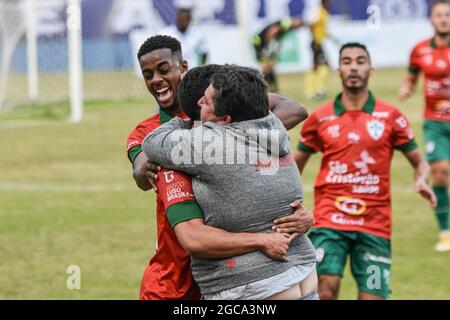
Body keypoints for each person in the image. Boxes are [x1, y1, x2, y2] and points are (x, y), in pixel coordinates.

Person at [126, 35, 314, 299]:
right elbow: (141, 169)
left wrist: (233, 138)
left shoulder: (224, 99)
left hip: (236, 270)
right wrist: (141, 171)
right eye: (148, 75)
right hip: (176, 273)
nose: (156, 79)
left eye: (163, 70)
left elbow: (294, 109)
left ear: (183, 66)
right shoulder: (150, 133)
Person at [294, 42, 436, 300]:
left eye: (360, 61)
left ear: (370, 69)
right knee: (325, 287)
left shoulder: (391, 116)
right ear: (338, 70)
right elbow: (294, 168)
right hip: (330, 219)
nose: (353, 67)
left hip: (374, 222)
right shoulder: (321, 118)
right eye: (347, 62)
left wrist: (422, 179)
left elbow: (419, 161)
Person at [399, 0, 450, 252]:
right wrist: (407, 88)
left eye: (448, 15)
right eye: (439, 15)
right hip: (436, 122)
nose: (444, 19)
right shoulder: (419, 50)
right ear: (431, 19)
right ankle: (445, 231)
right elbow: (411, 76)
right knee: (440, 173)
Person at [252, 17, 304, 92]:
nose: (297, 28)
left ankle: (271, 88)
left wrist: (275, 50)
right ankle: (262, 87)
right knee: (266, 66)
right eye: (298, 26)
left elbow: (279, 38)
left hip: (263, 43)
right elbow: (272, 32)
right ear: (297, 22)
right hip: (259, 41)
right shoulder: (287, 23)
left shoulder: (289, 27)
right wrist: (268, 48)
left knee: (270, 66)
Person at [304, 0, 332, 101]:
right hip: (316, 43)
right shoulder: (319, 13)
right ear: (323, 3)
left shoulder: (324, 13)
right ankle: (319, 89)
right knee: (324, 65)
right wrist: (315, 38)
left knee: (315, 67)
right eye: (328, 2)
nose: (330, 4)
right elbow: (311, 25)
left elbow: (321, 29)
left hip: (319, 42)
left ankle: (311, 91)